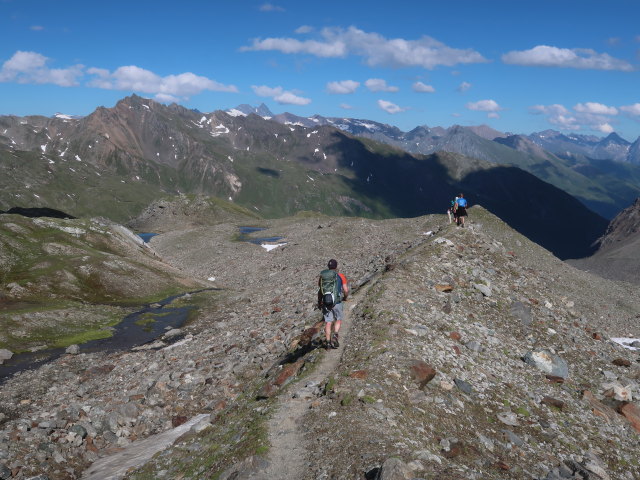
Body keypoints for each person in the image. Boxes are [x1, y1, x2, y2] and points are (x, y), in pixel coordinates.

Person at [317, 259, 348, 349]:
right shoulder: (341, 276)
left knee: (328, 322)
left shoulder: (323, 276)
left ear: (328, 266)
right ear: (336, 266)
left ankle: (327, 342)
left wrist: (319, 302)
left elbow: (320, 291)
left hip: (326, 303)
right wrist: (345, 298)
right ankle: (335, 335)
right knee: (338, 319)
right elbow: (346, 290)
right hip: (337, 302)